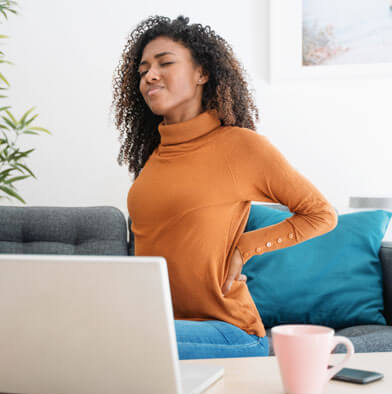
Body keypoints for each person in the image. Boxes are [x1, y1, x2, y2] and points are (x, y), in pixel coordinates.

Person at [111, 15, 338, 360]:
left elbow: (321, 214)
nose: (149, 76)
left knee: (119, 342)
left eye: (164, 63)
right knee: (87, 333)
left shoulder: (240, 147)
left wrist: (245, 246)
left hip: (229, 331)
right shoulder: (155, 155)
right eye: (142, 70)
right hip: (159, 324)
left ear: (202, 73)